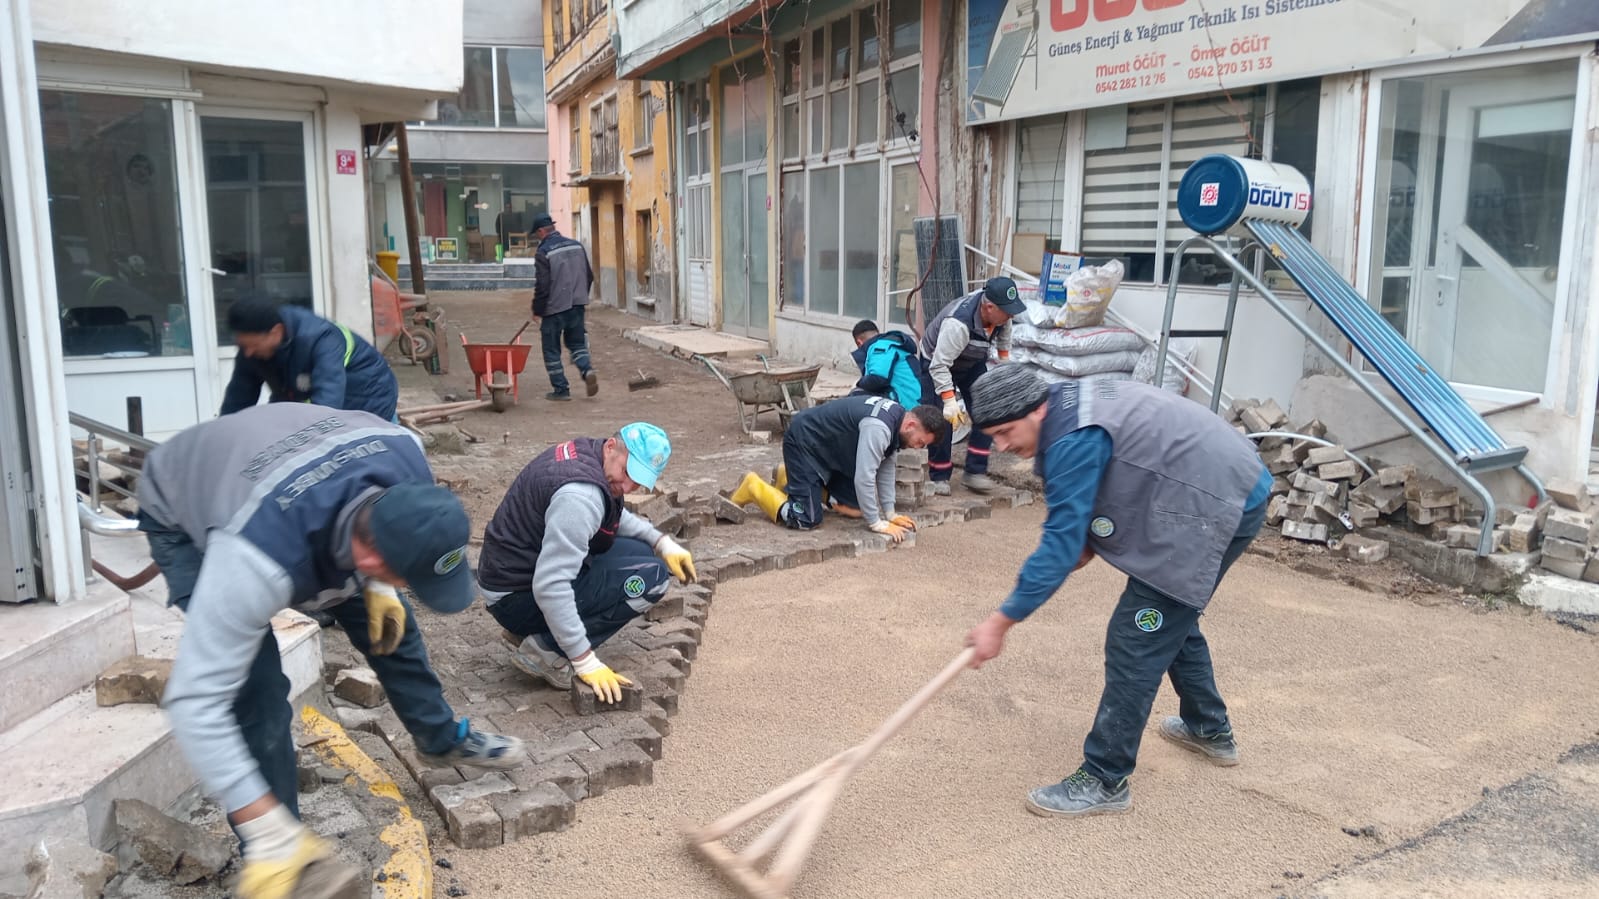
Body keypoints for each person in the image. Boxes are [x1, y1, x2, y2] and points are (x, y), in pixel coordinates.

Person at [136, 404, 525, 898]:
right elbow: (195, 701)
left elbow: (383, 539)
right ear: (369, 554)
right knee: (256, 690)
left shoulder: (408, 459)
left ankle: (439, 739)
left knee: (393, 628)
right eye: (399, 572)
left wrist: (383, 589)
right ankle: (281, 855)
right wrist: (261, 824)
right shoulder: (256, 561)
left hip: (284, 464)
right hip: (186, 497)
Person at [961, 365, 1273, 818]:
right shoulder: (1067, 406)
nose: (1002, 446)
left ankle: (1106, 778)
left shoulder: (1071, 438)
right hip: (1220, 484)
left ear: (1038, 408)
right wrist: (1083, 542)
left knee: (1136, 638)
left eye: (1006, 432)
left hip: (1217, 502)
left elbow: (1060, 542)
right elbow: (1084, 512)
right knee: (1170, 617)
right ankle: (1208, 729)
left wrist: (1001, 621)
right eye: (993, 436)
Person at [477, 423, 697, 701]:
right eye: (628, 473)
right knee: (650, 581)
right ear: (611, 447)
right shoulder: (581, 496)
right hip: (514, 596)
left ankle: (541, 633)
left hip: (515, 572)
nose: (628, 486)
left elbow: (609, 515)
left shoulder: (589, 456)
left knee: (645, 554)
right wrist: (585, 661)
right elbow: (551, 585)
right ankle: (546, 650)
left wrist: (661, 542)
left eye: (639, 481)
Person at [724, 395, 949, 541]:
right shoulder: (879, 427)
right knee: (806, 519)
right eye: (920, 442)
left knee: (853, 506)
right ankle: (752, 486)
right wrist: (876, 524)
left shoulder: (898, 419)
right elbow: (865, 476)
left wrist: (889, 513)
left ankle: (789, 476)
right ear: (911, 425)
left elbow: (886, 465)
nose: (918, 447)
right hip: (805, 441)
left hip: (827, 448)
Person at [919, 277, 1025, 496]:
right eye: (1007, 312)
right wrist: (949, 400)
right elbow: (939, 366)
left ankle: (975, 472)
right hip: (935, 362)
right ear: (989, 307)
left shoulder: (1003, 316)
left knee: (988, 409)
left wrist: (1003, 376)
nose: (1011, 316)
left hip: (971, 361)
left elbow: (1003, 346)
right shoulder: (958, 323)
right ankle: (939, 475)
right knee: (941, 418)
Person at [220, 297, 399, 421]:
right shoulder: (251, 348)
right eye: (243, 346)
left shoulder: (320, 339)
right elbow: (238, 399)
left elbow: (326, 409)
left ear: (276, 332)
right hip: (312, 403)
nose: (248, 353)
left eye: (253, 346)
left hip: (369, 401)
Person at [531, 212, 598, 402]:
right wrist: (580, 296)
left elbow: (542, 286)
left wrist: (537, 309)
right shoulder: (576, 245)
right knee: (577, 343)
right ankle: (587, 370)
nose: (537, 237)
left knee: (551, 349)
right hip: (577, 304)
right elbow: (589, 276)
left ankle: (561, 390)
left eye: (537, 234)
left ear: (542, 231)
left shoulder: (543, 252)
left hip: (554, 309)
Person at [849, 319, 927, 410]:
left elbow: (877, 379)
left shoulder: (880, 347)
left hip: (905, 405)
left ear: (859, 342)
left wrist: (858, 383)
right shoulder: (891, 345)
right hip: (912, 400)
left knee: (854, 398)